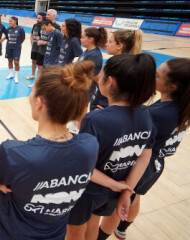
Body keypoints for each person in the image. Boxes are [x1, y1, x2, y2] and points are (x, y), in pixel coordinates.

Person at [0, 61, 99, 240]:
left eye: (32, 91)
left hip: (11, 231)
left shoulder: (13, 152)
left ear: (39, 102)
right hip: (55, 232)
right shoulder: (90, 145)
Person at [66, 53, 157, 240]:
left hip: (89, 191)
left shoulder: (94, 119)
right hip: (115, 191)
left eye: (101, 74)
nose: (98, 77)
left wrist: (116, 185)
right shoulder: (146, 114)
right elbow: (144, 157)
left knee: (75, 230)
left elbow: (83, 166)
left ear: (110, 82)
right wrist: (126, 189)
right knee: (93, 224)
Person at [99, 58, 190, 240]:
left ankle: (99, 237)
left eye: (156, 76)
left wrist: (109, 116)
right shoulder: (183, 106)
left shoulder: (159, 114)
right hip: (157, 164)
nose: (151, 78)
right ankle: (122, 229)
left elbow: (131, 130)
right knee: (135, 196)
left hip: (143, 165)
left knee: (119, 205)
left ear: (172, 87)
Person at [28, 19, 63, 88]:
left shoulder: (57, 34)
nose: (44, 31)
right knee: (43, 73)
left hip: (53, 60)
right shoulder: (50, 33)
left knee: (51, 78)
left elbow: (61, 48)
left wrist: (57, 60)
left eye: (45, 28)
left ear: (49, 25)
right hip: (47, 58)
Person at [5, 16, 25, 83]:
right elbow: (7, 38)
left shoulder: (20, 29)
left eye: (11, 21)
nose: (9, 22)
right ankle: (11, 74)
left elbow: (23, 38)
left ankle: (16, 76)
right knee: (9, 61)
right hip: (9, 47)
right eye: (9, 21)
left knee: (16, 62)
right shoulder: (8, 29)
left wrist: (18, 44)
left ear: (15, 21)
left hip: (17, 48)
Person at [26, 12, 46, 80]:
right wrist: (32, 42)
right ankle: (33, 74)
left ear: (43, 19)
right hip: (34, 46)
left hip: (41, 48)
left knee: (40, 64)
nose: (37, 19)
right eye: (37, 18)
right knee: (33, 61)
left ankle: (39, 78)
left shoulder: (44, 27)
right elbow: (31, 34)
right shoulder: (35, 25)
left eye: (39, 18)